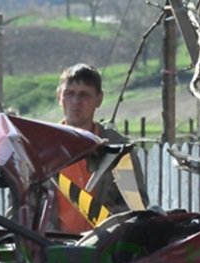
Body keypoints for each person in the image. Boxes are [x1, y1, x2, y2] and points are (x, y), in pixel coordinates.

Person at [53, 63, 149, 234]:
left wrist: (107, 231)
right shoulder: (42, 147)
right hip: (51, 250)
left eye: (84, 95)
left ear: (99, 99)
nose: (76, 102)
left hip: (104, 250)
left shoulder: (117, 149)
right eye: (69, 94)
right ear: (59, 96)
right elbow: (21, 206)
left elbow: (135, 205)